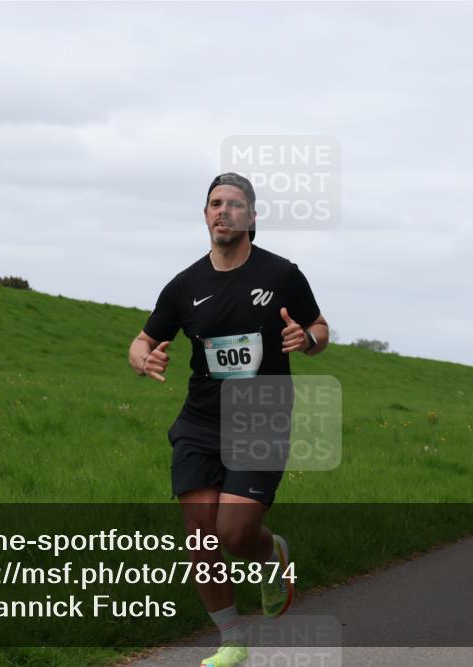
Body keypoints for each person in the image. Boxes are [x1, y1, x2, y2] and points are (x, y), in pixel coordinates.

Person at [128, 173, 329, 667]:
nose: (224, 211)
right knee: (200, 536)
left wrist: (307, 339)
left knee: (235, 534)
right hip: (199, 421)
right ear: (205, 215)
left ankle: (271, 553)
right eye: (215, 203)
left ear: (252, 217)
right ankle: (231, 640)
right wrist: (144, 359)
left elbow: (321, 327)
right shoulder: (184, 285)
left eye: (235, 204)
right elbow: (141, 341)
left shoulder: (282, 275)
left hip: (261, 414)